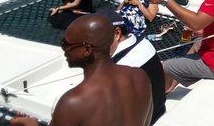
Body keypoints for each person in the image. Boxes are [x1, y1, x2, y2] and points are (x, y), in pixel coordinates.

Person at [11, 14, 153, 126]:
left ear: (86, 50)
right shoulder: (140, 76)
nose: (64, 49)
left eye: (66, 44)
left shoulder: (73, 102)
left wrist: (30, 124)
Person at [98, 8, 166, 125]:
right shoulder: (144, 43)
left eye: (96, 35)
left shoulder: (118, 67)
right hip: (158, 111)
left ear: (117, 34)